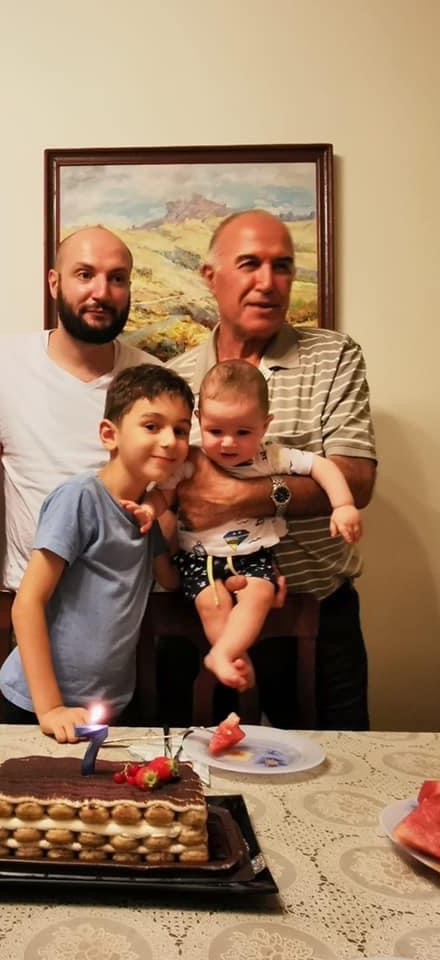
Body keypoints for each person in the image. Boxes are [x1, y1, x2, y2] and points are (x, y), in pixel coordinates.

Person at [165, 209, 377, 730]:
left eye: (282, 266)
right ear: (210, 276)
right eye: (250, 264)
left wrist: (238, 497)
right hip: (201, 611)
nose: (268, 281)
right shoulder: (173, 377)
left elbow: (356, 479)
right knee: (196, 766)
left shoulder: (333, 356)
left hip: (316, 615)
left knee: (335, 767)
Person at [0, 226, 159, 608]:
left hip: (123, 606)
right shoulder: (6, 360)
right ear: (54, 283)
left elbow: (168, 488)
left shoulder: (152, 379)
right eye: (85, 274)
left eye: (117, 278)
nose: (101, 292)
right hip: (28, 600)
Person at [130, 359, 362, 693]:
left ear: (264, 426)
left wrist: (343, 505)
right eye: (216, 431)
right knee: (212, 605)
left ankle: (224, 654)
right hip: (200, 558)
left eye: (243, 432)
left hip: (254, 554)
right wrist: (147, 510)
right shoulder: (189, 461)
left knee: (260, 594)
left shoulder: (272, 457)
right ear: (199, 420)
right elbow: (163, 495)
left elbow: (321, 466)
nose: (228, 443)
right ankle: (232, 657)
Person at [0, 364, 194, 742]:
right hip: (39, 705)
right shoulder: (79, 498)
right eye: (152, 426)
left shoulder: (147, 517)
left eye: (181, 430)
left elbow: (171, 580)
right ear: (109, 435)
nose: (170, 441)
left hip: (111, 704)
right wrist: (50, 707)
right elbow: (27, 603)